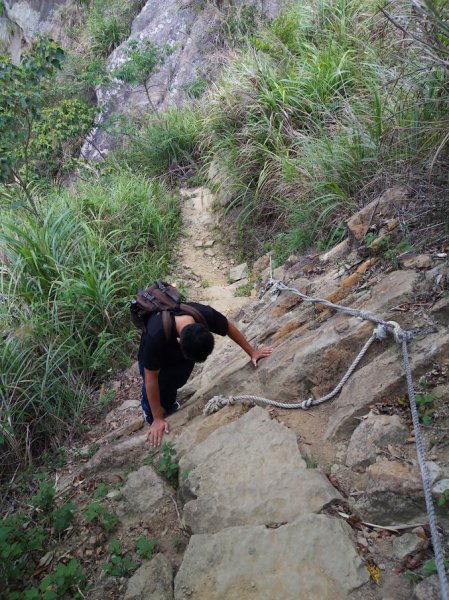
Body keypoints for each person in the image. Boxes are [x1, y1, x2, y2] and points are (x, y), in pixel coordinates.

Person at [138, 300, 273, 447]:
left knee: (177, 378)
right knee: (159, 382)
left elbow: (227, 327)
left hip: (178, 347)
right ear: (179, 343)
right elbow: (150, 378)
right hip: (152, 354)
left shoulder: (204, 314)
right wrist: (157, 418)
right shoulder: (156, 336)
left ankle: (169, 403)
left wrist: (252, 351)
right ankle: (150, 412)